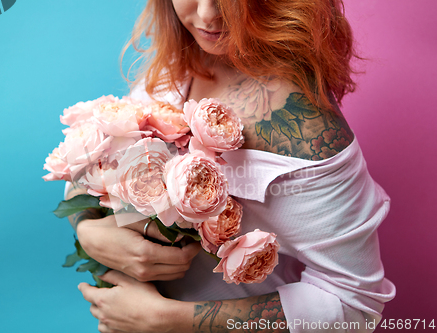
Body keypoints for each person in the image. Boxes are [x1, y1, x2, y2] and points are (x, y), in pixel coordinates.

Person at [66, 0, 396, 332]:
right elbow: (100, 162)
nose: (208, 14)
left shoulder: (304, 127)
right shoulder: (176, 68)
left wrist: (165, 319)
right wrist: (89, 230)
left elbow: (353, 305)